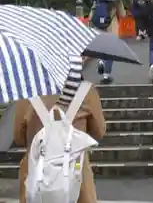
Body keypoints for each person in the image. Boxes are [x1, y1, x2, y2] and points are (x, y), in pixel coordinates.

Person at [14, 57, 106, 203]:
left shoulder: (27, 92)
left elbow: (18, 137)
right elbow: (99, 132)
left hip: (36, 179)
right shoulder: (87, 91)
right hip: (76, 178)